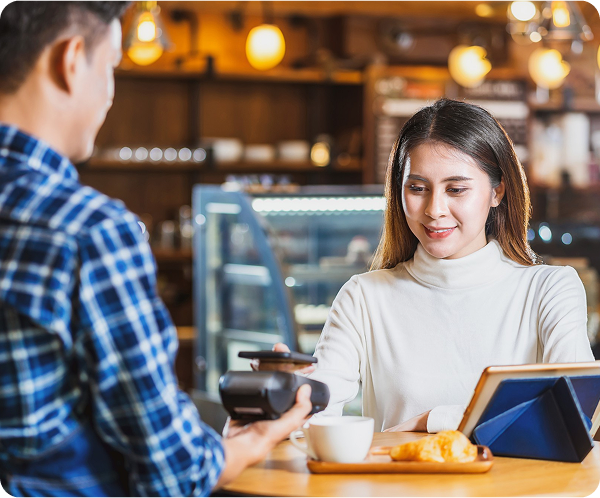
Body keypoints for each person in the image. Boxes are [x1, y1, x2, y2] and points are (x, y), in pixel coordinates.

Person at [0, 1, 311, 497]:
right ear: (70, 60)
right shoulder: (88, 230)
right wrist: (258, 437)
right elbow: (174, 474)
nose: (109, 95)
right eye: (111, 69)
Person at [273, 97, 594, 434]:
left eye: (456, 189)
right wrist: (287, 398)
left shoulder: (549, 289)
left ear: (497, 192)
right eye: (417, 188)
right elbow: (311, 421)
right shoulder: (364, 297)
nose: (434, 209)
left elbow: (573, 416)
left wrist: (434, 421)